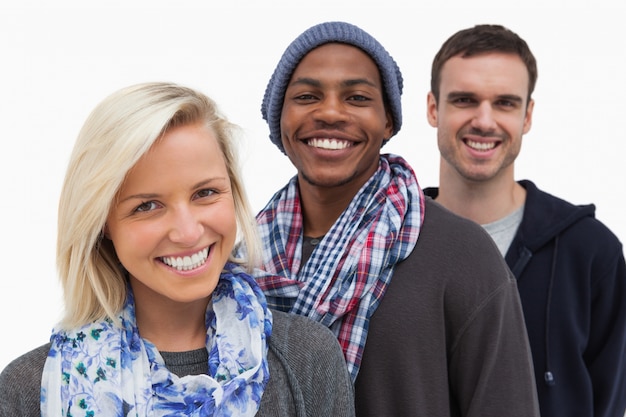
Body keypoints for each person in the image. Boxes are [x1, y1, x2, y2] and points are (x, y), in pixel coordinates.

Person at [0, 82, 355, 417]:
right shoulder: (29, 391)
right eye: (147, 206)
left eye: (205, 193)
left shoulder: (306, 358)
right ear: (103, 223)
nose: (187, 233)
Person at [246, 21, 540, 416]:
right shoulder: (240, 259)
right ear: (278, 118)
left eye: (356, 97)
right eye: (306, 95)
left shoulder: (462, 255)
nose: (330, 112)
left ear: (388, 121)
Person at [424, 24, 626, 417]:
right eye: (465, 100)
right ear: (433, 108)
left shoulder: (590, 253)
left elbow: (611, 403)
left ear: (528, 115)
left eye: (504, 103)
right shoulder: (392, 240)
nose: (484, 121)